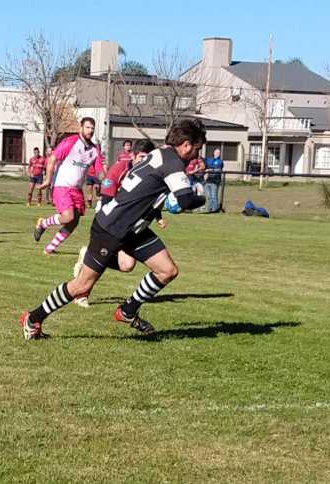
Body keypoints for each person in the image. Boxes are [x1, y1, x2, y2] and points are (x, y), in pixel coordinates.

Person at [19, 119, 207, 340]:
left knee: (167, 270)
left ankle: (127, 311)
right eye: (197, 149)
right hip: (112, 228)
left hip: (132, 228)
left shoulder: (160, 154)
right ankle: (33, 318)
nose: (196, 155)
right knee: (81, 286)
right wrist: (200, 197)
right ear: (186, 145)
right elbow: (185, 200)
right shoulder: (173, 162)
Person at [73, 139, 158, 308]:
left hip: (127, 225)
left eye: (148, 157)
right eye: (141, 157)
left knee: (127, 265)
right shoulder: (118, 169)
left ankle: (86, 255)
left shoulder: (149, 174)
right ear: (132, 155)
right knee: (101, 258)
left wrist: (158, 216)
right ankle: (81, 294)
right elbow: (106, 198)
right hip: (107, 220)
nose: (144, 161)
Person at [33, 118, 103, 254]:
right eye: (88, 127)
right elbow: (52, 158)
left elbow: (100, 172)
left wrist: (108, 184)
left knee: (73, 222)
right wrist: (47, 180)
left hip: (77, 190)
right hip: (62, 186)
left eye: (92, 128)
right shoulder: (71, 141)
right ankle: (43, 223)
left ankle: (50, 248)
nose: (90, 131)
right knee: (68, 216)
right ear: (81, 127)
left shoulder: (94, 150)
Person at [204, 148, 223, 213]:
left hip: (215, 181)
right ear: (214, 153)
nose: (218, 154)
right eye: (216, 152)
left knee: (213, 196)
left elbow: (219, 169)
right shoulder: (208, 159)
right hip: (207, 180)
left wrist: (210, 169)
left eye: (219, 153)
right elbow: (204, 166)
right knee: (208, 196)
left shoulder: (220, 161)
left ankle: (215, 209)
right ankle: (210, 209)